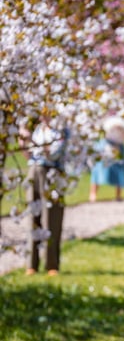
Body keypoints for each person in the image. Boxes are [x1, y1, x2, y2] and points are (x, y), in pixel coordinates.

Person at [25, 116, 69, 276]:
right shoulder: (37, 130)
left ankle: (52, 264)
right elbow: (28, 156)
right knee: (32, 218)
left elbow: (54, 155)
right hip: (34, 171)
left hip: (52, 173)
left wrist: (39, 146)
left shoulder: (62, 130)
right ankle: (32, 263)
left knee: (52, 218)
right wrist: (25, 141)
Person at [89, 116, 124, 202]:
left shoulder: (123, 126)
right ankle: (93, 194)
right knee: (99, 170)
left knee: (119, 171)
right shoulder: (107, 127)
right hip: (106, 147)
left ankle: (118, 196)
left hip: (118, 147)